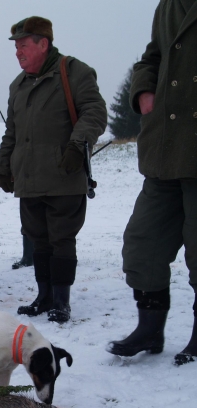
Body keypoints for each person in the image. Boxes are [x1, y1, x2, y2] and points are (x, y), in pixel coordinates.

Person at [0, 16, 107, 322]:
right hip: (29, 179)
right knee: (38, 239)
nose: (17, 52)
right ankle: (44, 297)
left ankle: (61, 300)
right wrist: (3, 166)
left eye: (23, 45)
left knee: (61, 239)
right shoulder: (17, 85)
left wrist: (76, 146)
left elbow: (95, 112)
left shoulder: (73, 72)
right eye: (15, 47)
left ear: (43, 44)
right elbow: (11, 133)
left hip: (64, 174)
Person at [108, 0, 197, 365]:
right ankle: (150, 329)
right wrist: (143, 89)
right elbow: (153, 56)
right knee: (142, 244)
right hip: (165, 148)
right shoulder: (168, 5)